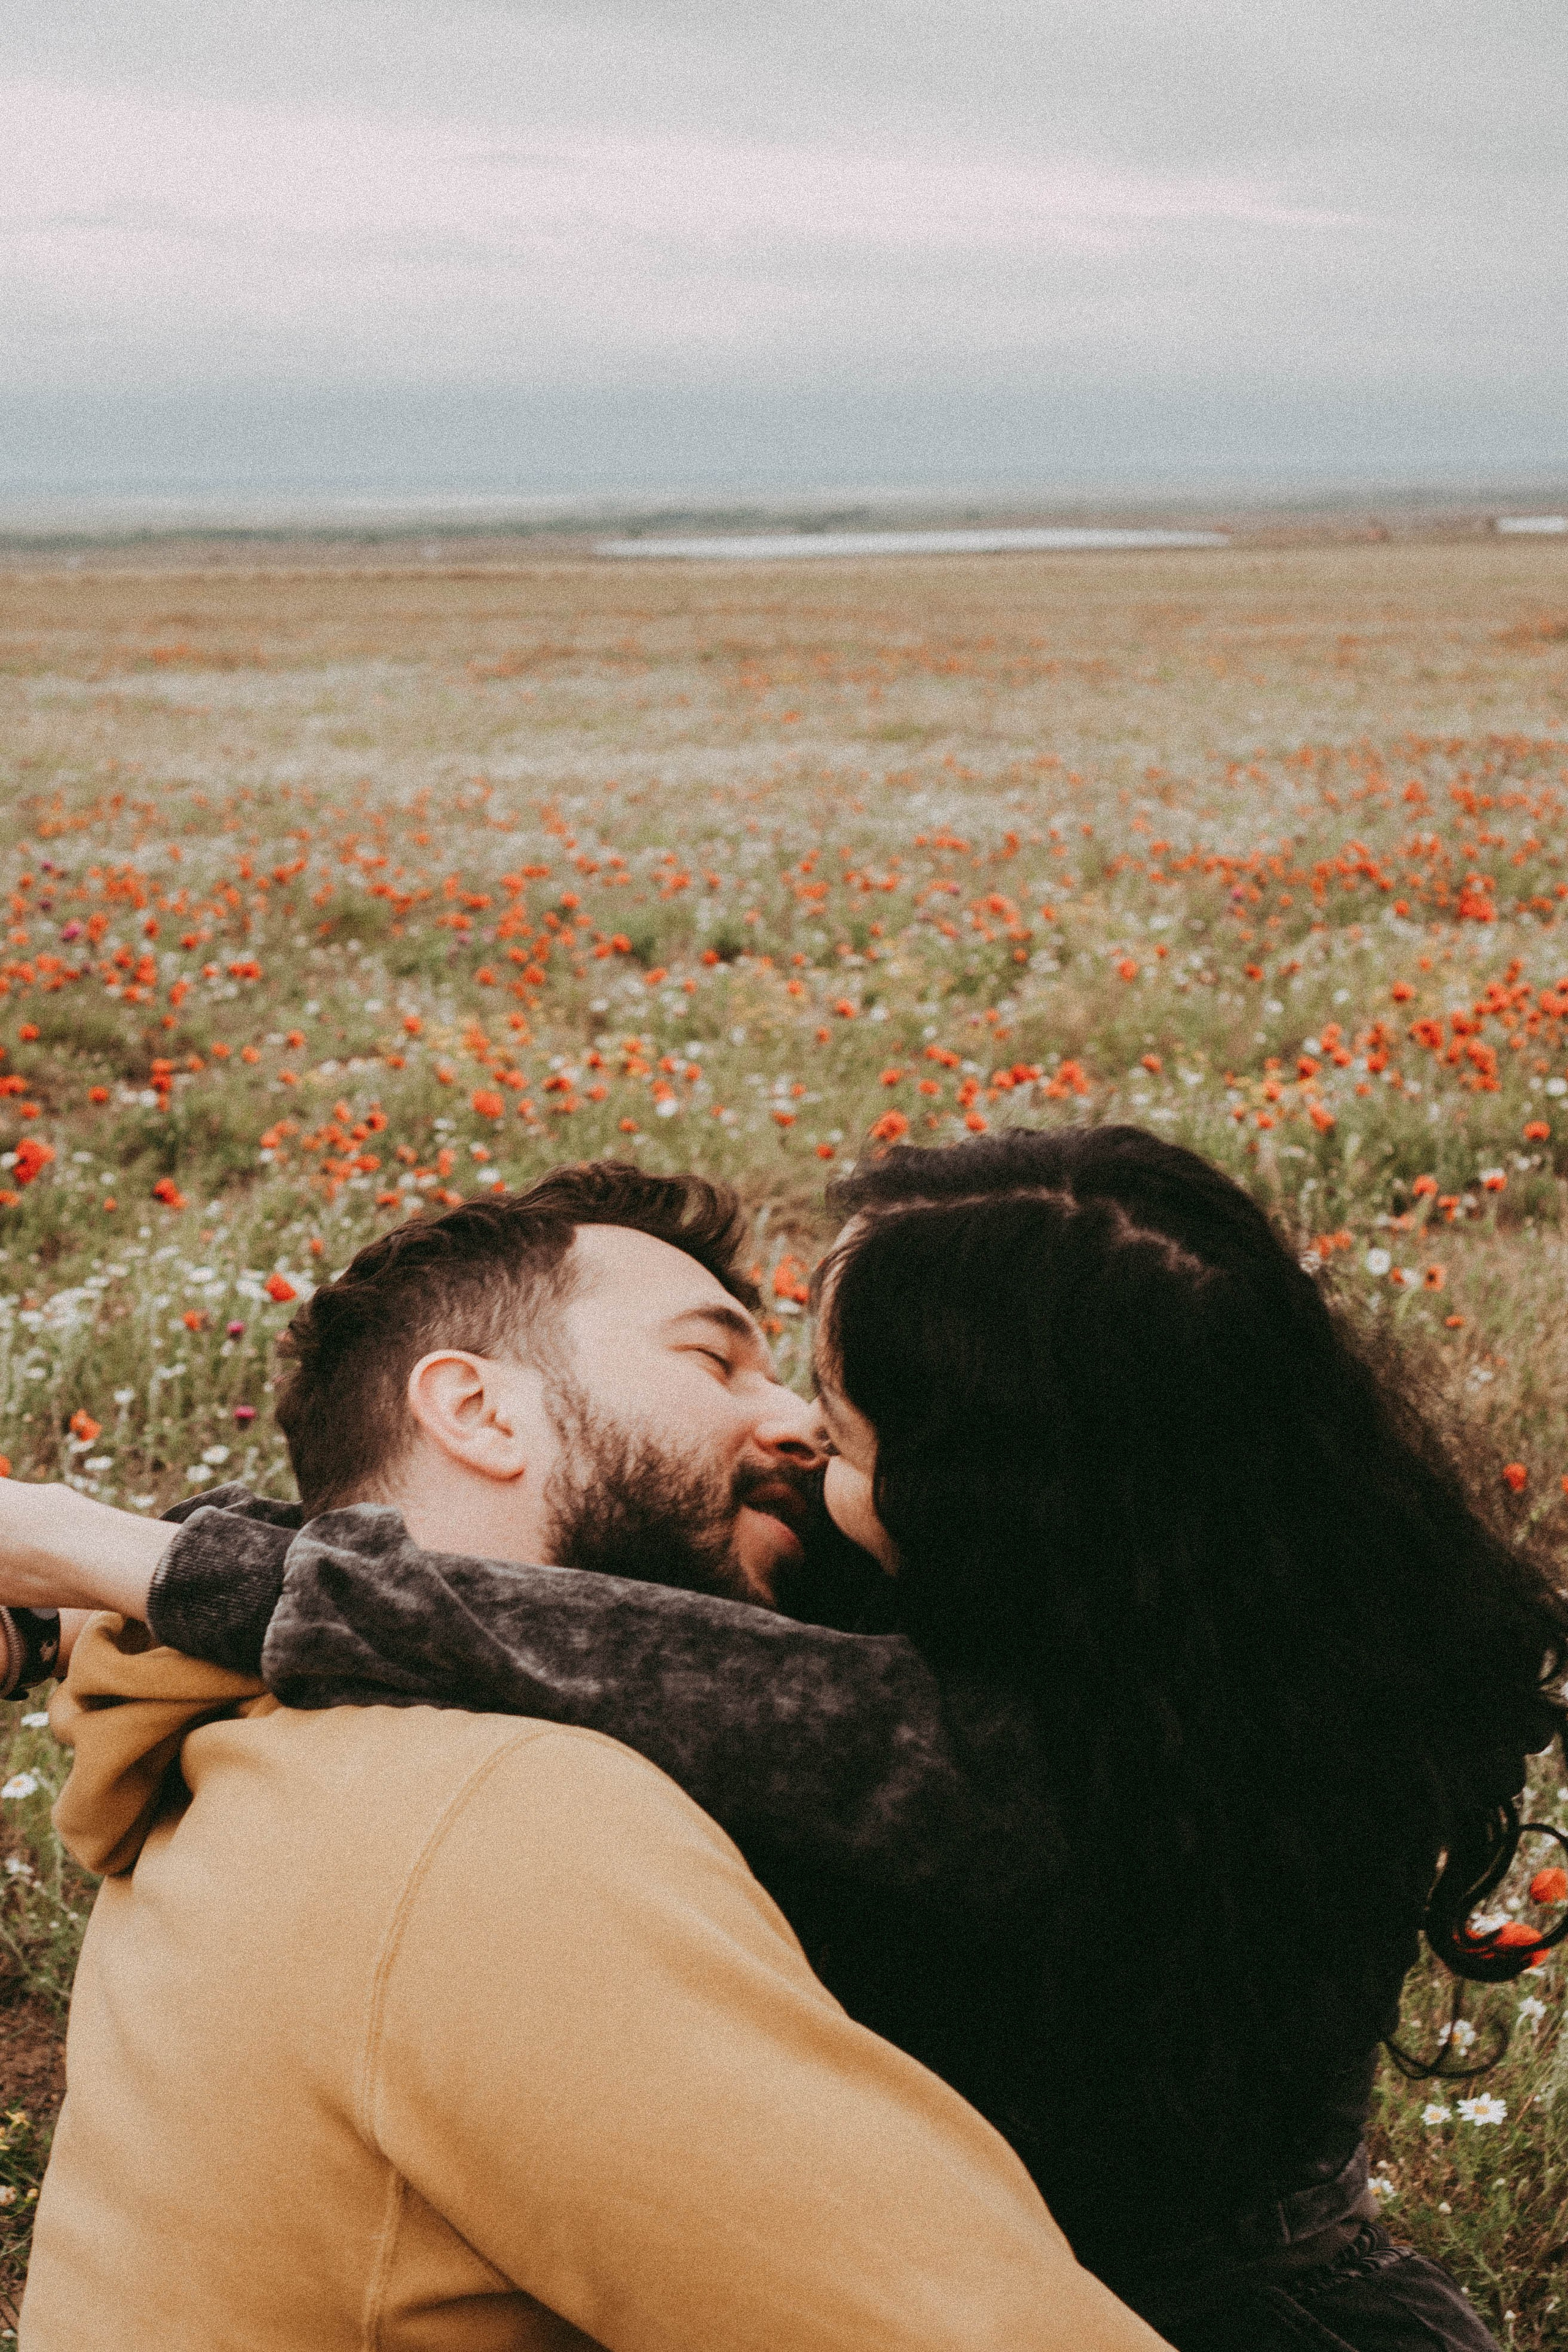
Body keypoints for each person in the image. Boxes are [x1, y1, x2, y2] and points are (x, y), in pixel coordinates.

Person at [9, 1140, 1562, 2348]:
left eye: (849, 1425)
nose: (809, 1444)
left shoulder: (1013, 1757)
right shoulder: (1214, 1624)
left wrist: (102, 1552)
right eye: (723, 1360)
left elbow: (629, 1655)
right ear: (472, 1408)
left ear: (1001, 1513)